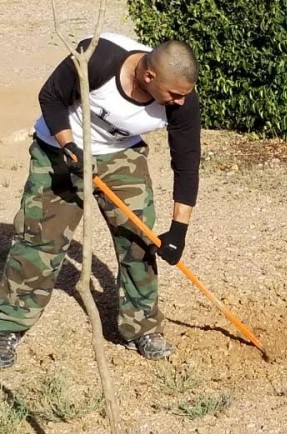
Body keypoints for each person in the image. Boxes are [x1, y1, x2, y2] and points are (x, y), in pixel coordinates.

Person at [0, 33, 201, 368]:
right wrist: (69, 148)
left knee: (139, 242)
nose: (179, 102)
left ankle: (141, 327)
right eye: (174, 95)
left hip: (121, 157)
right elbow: (50, 97)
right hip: (61, 148)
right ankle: (8, 325)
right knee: (39, 242)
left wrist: (178, 230)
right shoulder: (100, 58)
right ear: (149, 76)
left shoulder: (184, 100)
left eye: (183, 95)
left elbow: (187, 162)